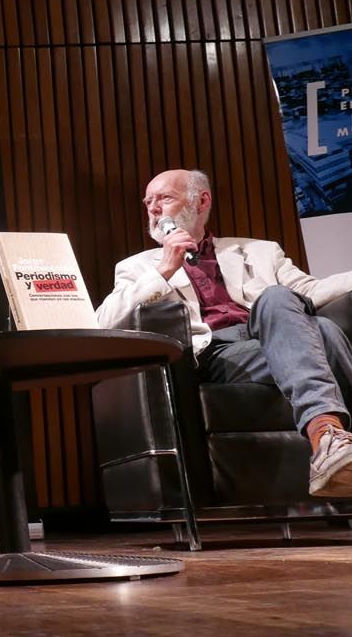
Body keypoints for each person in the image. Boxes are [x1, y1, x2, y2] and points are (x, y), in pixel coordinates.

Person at [96, 169, 352, 498]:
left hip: (273, 336)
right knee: (325, 331)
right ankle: (328, 435)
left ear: (201, 201)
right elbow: (104, 321)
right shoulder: (138, 266)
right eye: (148, 202)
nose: (154, 208)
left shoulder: (260, 251)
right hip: (216, 353)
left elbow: (311, 291)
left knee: (288, 304)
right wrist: (164, 268)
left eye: (165, 198)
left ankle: (329, 444)